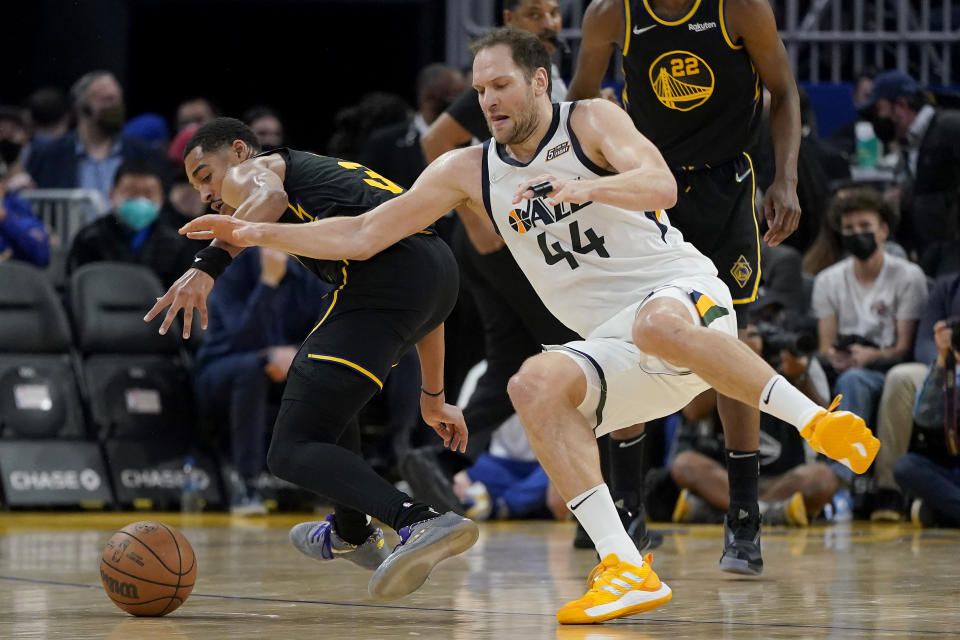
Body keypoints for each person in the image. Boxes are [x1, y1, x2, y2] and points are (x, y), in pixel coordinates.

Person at [179, 29, 878, 624]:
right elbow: (363, 233)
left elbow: (660, 185)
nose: (489, 101)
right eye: (480, 91)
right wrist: (249, 236)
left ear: (540, 81)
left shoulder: (590, 122)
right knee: (533, 383)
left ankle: (821, 423)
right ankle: (626, 565)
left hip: (678, 294)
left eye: (502, 86)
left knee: (658, 326)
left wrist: (591, 187)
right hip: (611, 341)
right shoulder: (466, 168)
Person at [145, 117, 477, 601]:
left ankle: (419, 520)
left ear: (239, 152)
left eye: (206, 175)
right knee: (325, 410)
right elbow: (429, 301)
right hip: (436, 272)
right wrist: (434, 396)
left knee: (290, 450)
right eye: (195, 185)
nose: (207, 194)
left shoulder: (256, 171)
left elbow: (268, 199)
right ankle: (352, 530)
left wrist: (207, 265)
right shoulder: (319, 174)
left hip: (385, 282)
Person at [564, 0, 802, 575]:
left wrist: (786, 177)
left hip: (725, 188)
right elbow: (580, 104)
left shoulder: (741, 8)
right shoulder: (610, 13)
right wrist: (595, 178)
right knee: (625, 339)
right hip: (648, 190)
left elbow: (784, 91)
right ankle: (627, 509)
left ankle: (744, 514)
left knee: (732, 346)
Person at [195, 246, 330, 515]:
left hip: (286, 364)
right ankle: (247, 485)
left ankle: (322, 479)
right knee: (253, 368)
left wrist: (296, 352)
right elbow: (242, 339)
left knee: (330, 369)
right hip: (221, 368)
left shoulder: (308, 273)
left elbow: (327, 329)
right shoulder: (231, 269)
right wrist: (268, 283)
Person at [812, 188, 927, 430]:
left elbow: (904, 349)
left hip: (886, 368)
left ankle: (843, 465)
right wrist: (835, 355)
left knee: (854, 379)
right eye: (849, 229)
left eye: (865, 226)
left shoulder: (908, 276)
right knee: (801, 369)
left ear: (884, 229)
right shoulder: (827, 280)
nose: (857, 233)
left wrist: (871, 357)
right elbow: (825, 345)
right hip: (842, 369)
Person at [24, 71, 167, 207]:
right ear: (82, 105)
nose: (115, 106)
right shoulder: (48, 155)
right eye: (107, 99)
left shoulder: (143, 153)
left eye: (118, 99)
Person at [66, 158, 197, 288]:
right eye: (131, 193)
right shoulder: (89, 239)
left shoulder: (175, 244)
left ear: (161, 198)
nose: (140, 200)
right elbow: (76, 291)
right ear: (112, 195)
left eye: (149, 194)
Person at [893, 319, 960, 527]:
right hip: (953, 471)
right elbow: (925, 417)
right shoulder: (950, 372)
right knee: (906, 466)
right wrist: (942, 360)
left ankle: (942, 514)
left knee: (931, 510)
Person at [361, 64, 466, 190]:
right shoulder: (385, 143)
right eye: (455, 94)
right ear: (428, 98)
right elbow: (370, 195)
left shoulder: (473, 140)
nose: (462, 103)